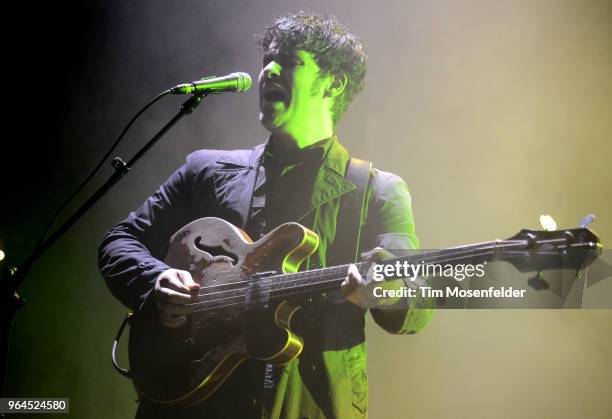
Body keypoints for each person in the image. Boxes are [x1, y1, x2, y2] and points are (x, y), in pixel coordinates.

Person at [99, 12, 433, 419]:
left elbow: (418, 300)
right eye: (267, 61)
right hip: (191, 398)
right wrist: (155, 280)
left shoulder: (377, 191)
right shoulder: (206, 171)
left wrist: (390, 291)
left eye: (289, 60)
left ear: (333, 82)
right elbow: (120, 242)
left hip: (307, 405)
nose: (268, 70)